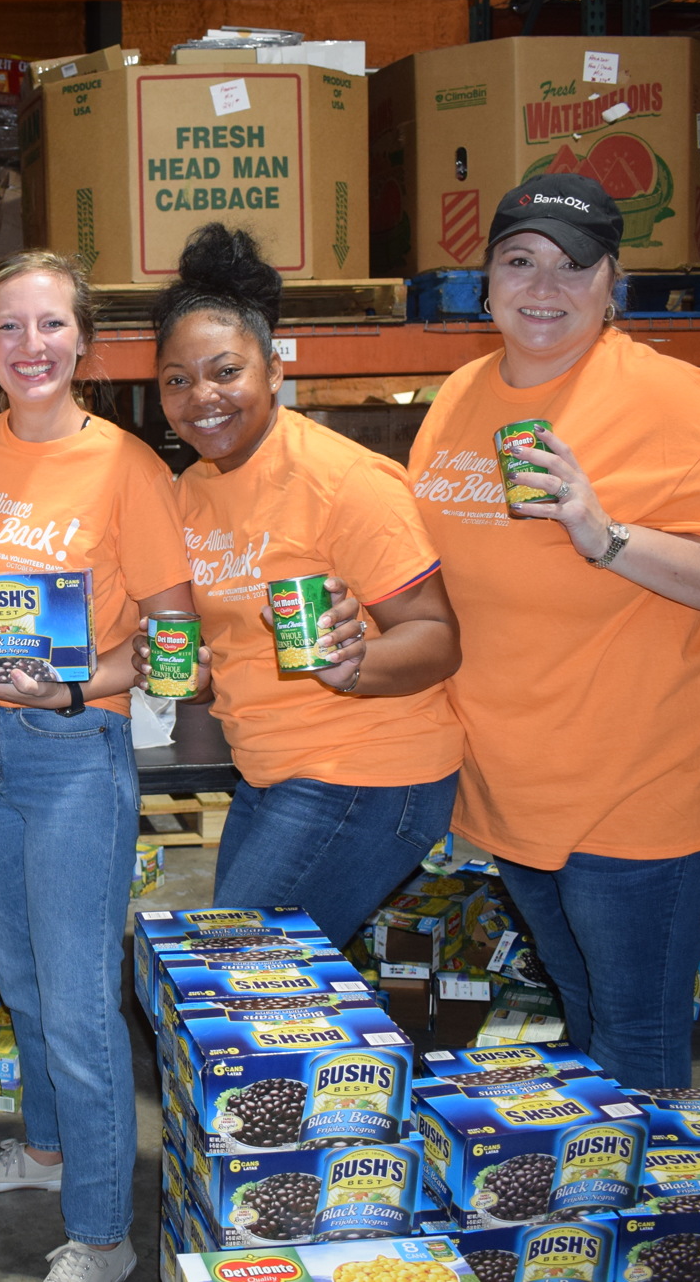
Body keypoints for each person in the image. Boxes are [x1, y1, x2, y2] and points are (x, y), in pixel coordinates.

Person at [404, 176, 700, 1088]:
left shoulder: (680, 401)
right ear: (488, 281)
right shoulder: (462, 393)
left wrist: (606, 535)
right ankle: (597, 1211)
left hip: (645, 782)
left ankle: (656, 1226)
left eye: (575, 267)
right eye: (521, 261)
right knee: (581, 1009)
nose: (546, 286)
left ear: (613, 283)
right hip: (516, 781)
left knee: (634, 1037)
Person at [0, 253, 192, 1282]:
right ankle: (43, 1151)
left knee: (80, 999)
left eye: (49, 325)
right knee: (23, 979)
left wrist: (75, 689)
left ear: (84, 340)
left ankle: (99, 1227)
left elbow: (174, 638)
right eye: (7, 326)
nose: (29, 345)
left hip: (72, 752)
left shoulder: (127, 465)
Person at [141, 223, 465, 947]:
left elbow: (438, 638)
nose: (203, 398)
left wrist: (357, 666)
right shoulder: (188, 490)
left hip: (370, 774)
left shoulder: (344, 480)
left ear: (274, 370)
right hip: (270, 771)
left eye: (227, 372)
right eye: (178, 380)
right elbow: (216, 657)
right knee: (265, 992)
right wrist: (185, 675)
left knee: (234, 973)